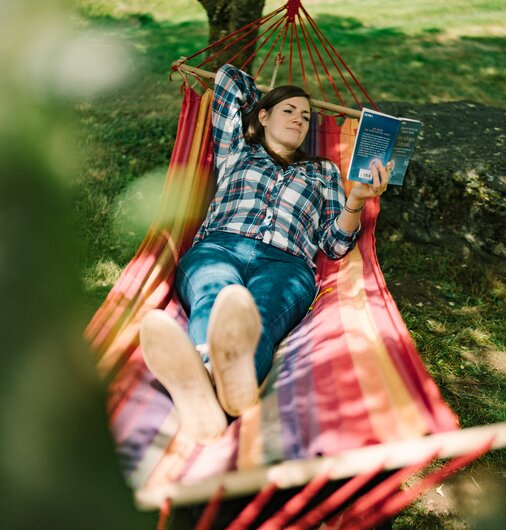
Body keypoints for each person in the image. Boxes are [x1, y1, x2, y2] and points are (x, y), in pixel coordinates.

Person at [139, 63, 389, 444]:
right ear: (263, 115)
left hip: (287, 265)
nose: (299, 120)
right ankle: (224, 389)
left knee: (257, 317)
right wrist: (261, 111)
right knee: (215, 294)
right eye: (287, 110)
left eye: (306, 116)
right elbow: (227, 78)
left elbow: (335, 245)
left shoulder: (322, 171)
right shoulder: (237, 149)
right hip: (219, 246)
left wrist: (355, 201)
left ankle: (201, 391)